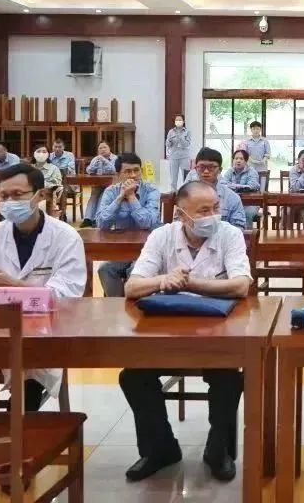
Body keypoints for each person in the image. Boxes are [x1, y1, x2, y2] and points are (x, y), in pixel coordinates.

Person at [120, 180, 250, 483]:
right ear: (181, 214)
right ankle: (160, 449)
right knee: (133, 376)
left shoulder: (229, 234)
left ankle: (219, 449)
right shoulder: (161, 236)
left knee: (229, 377)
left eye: (215, 208)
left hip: (217, 333)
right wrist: (163, 280)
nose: (212, 215)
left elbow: (241, 285)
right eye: (203, 211)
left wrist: (191, 284)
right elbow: (132, 287)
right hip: (165, 333)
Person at [0, 164, 86, 412]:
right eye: (4, 196)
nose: (10, 202)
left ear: (40, 195)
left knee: (29, 368)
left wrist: (14, 286)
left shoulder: (65, 237)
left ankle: (19, 425)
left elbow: (68, 296)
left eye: (17, 194)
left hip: (46, 330)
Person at [95, 153, 162, 297]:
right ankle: (118, 306)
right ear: (118, 175)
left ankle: (135, 308)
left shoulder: (151, 190)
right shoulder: (111, 191)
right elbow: (101, 223)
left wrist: (131, 196)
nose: (133, 175)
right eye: (127, 171)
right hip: (124, 249)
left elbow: (147, 222)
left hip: (149, 248)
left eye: (136, 170)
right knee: (105, 269)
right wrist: (120, 197)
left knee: (135, 271)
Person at [186, 148, 250, 229]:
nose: (206, 171)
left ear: (220, 170)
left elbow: (239, 228)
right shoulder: (186, 197)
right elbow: (178, 225)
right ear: (196, 169)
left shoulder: (232, 198)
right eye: (202, 167)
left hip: (223, 237)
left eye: (211, 167)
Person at [80, 140, 117, 228]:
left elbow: (114, 170)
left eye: (105, 147)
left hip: (111, 185)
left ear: (109, 148)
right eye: (100, 148)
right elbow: (88, 170)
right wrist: (94, 165)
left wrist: (104, 160)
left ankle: (96, 219)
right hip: (98, 183)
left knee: (102, 196)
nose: (102, 149)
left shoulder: (115, 158)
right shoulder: (96, 158)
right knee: (93, 195)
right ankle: (87, 219)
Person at [32, 145, 64, 214]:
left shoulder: (54, 168)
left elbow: (57, 184)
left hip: (47, 194)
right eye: (38, 151)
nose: (41, 154)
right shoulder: (29, 168)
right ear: (34, 154)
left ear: (48, 154)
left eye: (44, 152)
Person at [240, 120, 270, 191]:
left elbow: (268, 153)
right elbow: (244, 154)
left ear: (260, 129)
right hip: (250, 168)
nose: (256, 130)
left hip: (262, 168)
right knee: (251, 188)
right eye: (254, 129)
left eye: (257, 129)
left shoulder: (265, 141)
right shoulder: (246, 141)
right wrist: (253, 160)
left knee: (262, 189)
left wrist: (263, 160)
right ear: (251, 129)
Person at [165, 114, 191, 192]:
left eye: (180, 120)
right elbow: (168, 145)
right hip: (173, 156)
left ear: (183, 121)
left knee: (186, 176)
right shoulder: (171, 131)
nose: (178, 121)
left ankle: (186, 191)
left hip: (184, 156)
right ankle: (173, 191)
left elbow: (187, 144)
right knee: (173, 176)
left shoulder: (187, 131)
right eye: (177, 120)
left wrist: (180, 138)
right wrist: (169, 141)